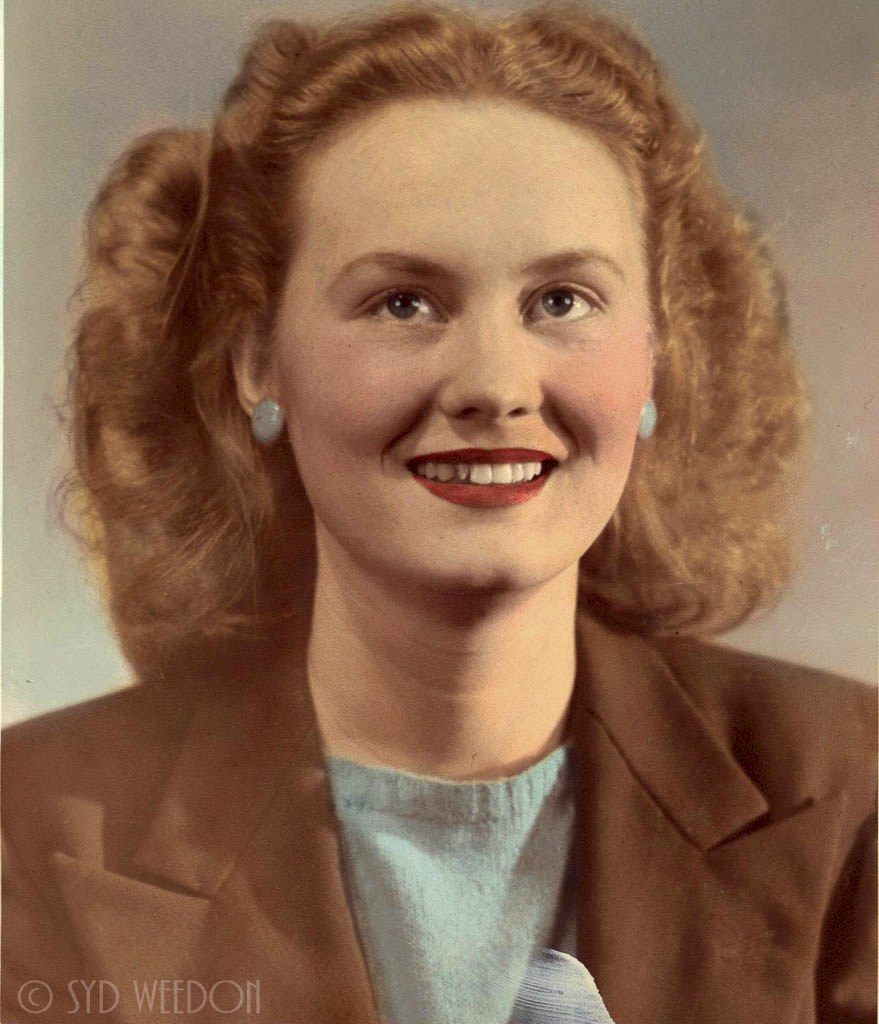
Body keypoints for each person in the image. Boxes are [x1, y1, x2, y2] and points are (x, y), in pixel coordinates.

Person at [2, 3, 875, 1023]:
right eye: (403, 302)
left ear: (656, 356)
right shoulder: (31, 827)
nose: (494, 386)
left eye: (561, 300)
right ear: (257, 362)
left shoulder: (853, 787)